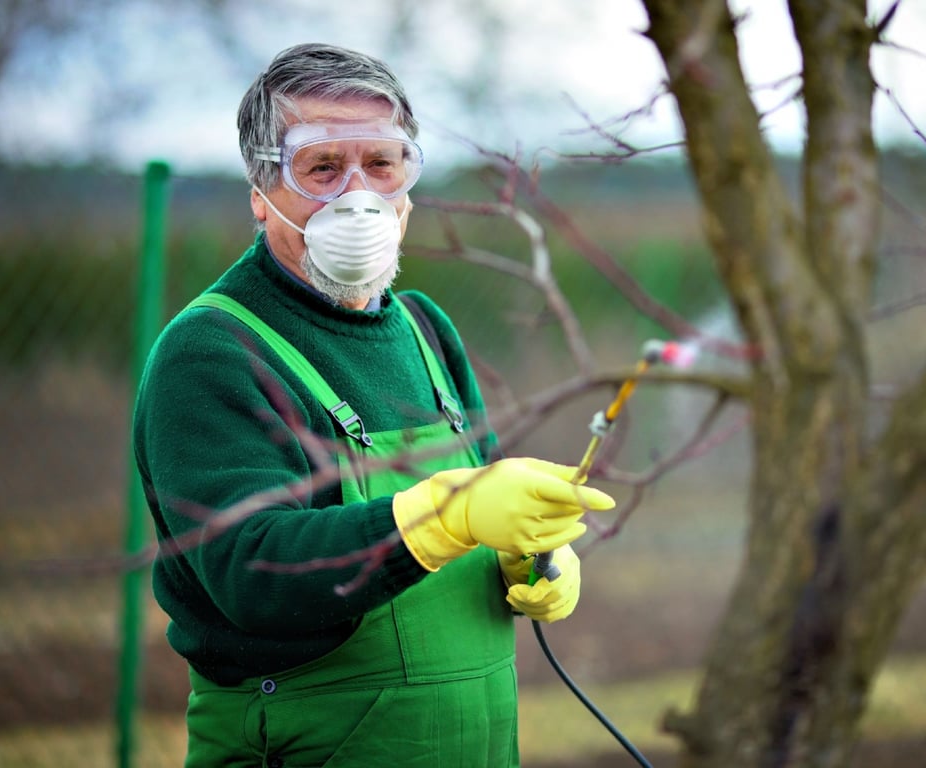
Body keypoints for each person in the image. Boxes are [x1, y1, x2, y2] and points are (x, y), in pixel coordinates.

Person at [132, 42, 615, 768]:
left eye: (383, 164)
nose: (358, 196)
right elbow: (250, 570)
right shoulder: (213, 351)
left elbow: (480, 508)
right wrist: (445, 515)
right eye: (322, 167)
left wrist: (530, 558)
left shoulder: (424, 329)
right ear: (261, 191)